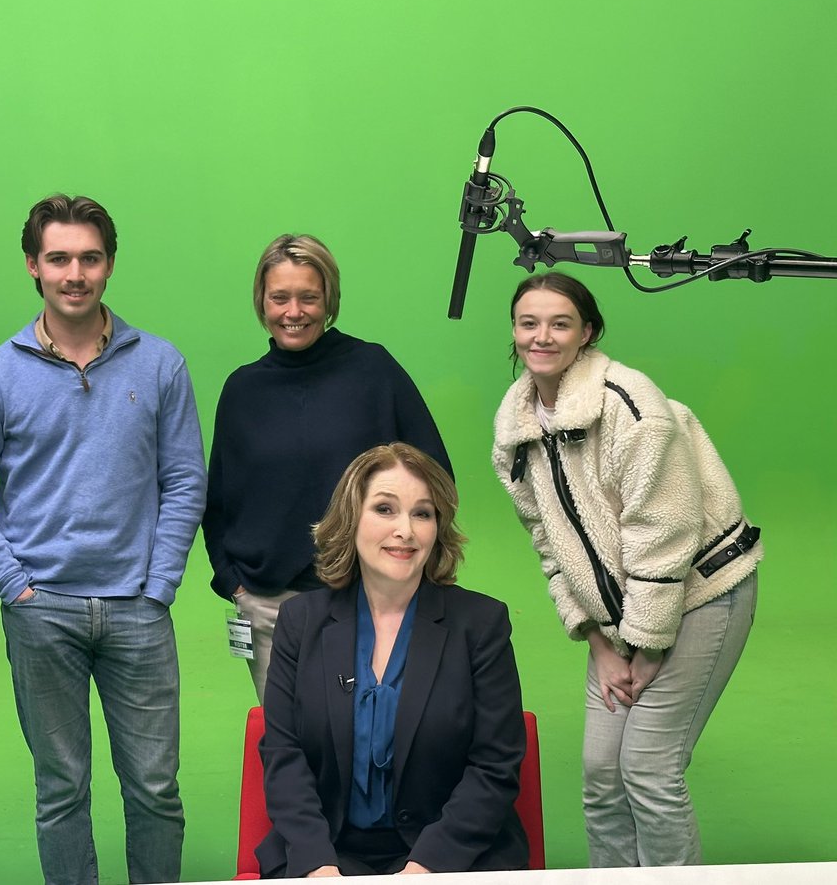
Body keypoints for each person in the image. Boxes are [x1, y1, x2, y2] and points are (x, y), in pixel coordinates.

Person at [0, 194, 206, 885]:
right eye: (58, 258)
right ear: (33, 265)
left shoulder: (160, 364)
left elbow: (185, 481)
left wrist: (160, 585)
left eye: (90, 258)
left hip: (138, 610)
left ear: (110, 264)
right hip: (42, 612)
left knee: (156, 789)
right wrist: (16, 588)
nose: (75, 274)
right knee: (61, 791)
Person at [491, 272, 761, 867]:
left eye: (560, 323)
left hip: (700, 591)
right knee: (601, 775)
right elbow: (551, 545)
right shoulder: (516, 430)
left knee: (648, 768)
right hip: (619, 617)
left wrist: (647, 645)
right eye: (528, 323)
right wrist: (599, 642)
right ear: (514, 331)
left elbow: (664, 529)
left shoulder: (629, 403)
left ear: (587, 332)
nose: (542, 336)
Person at [258, 443, 528, 877]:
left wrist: (424, 868)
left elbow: (495, 765)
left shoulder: (481, 624)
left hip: (452, 857)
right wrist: (318, 866)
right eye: (385, 509)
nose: (406, 530)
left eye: (422, 513)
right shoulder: (300, 621)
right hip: (328, 853)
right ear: (351, 518)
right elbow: (283, 755)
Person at [203, 234, 453, 702]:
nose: (293, 312)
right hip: (268, 605)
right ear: (262, 301)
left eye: (309, 297)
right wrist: (233, 583)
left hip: (370, 599)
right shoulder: (242, 390)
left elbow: (435, 480)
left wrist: (406, 576)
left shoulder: (373, 370)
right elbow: (216, 501)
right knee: (288, 738)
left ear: (329, 300)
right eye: (279, 297)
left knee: (377, 734)